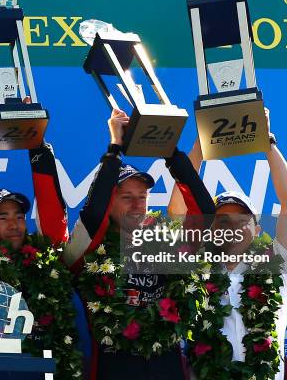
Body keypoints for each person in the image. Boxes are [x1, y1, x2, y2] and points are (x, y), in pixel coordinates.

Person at [63, 107, 215, 380]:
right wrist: (114, 150)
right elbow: (94, 214)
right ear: (110, 202)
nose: (136, 205)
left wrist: (171, 154)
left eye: (142, 197)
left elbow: (205, 213)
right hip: (113, 369)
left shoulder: (169, 244)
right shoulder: (86, 252)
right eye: (126, 197)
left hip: (167, 368)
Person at [0, 97, 82, 379]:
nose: (14, 224)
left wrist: (36, 142)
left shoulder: (45, 261)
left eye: (19, 216)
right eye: (2, 217)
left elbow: (53, 210)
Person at [169, 108, 287, 379]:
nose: (232, 227)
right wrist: (200, 144)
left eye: (242, 219)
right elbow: (178, 210)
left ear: (257, 229)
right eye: (222, 220)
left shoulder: (278, 265)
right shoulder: (193, 266)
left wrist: (267, 141)